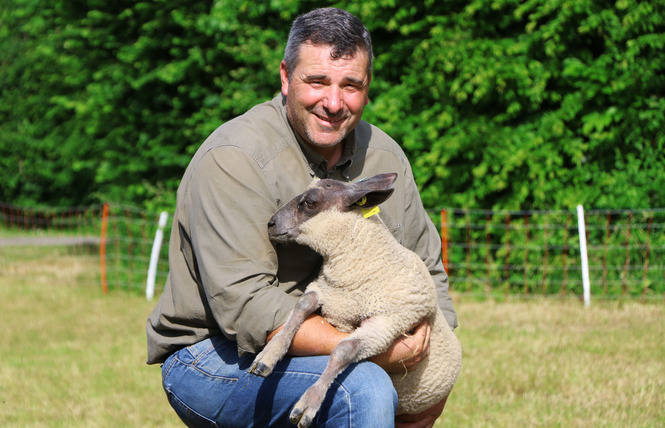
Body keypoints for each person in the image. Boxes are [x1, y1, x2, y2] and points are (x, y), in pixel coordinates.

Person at [146, 7, 458, 428]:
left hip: (351, 344)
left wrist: (428, 365)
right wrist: (378, 351)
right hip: (214, 355)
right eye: (317, 82)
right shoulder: (235, 159)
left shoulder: (384, 157)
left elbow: (429, 269)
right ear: (285, 76)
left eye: (351, 85)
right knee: (360, 388)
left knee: (397, 383)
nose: (333, 102)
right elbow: (248, 308)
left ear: (367, 88)